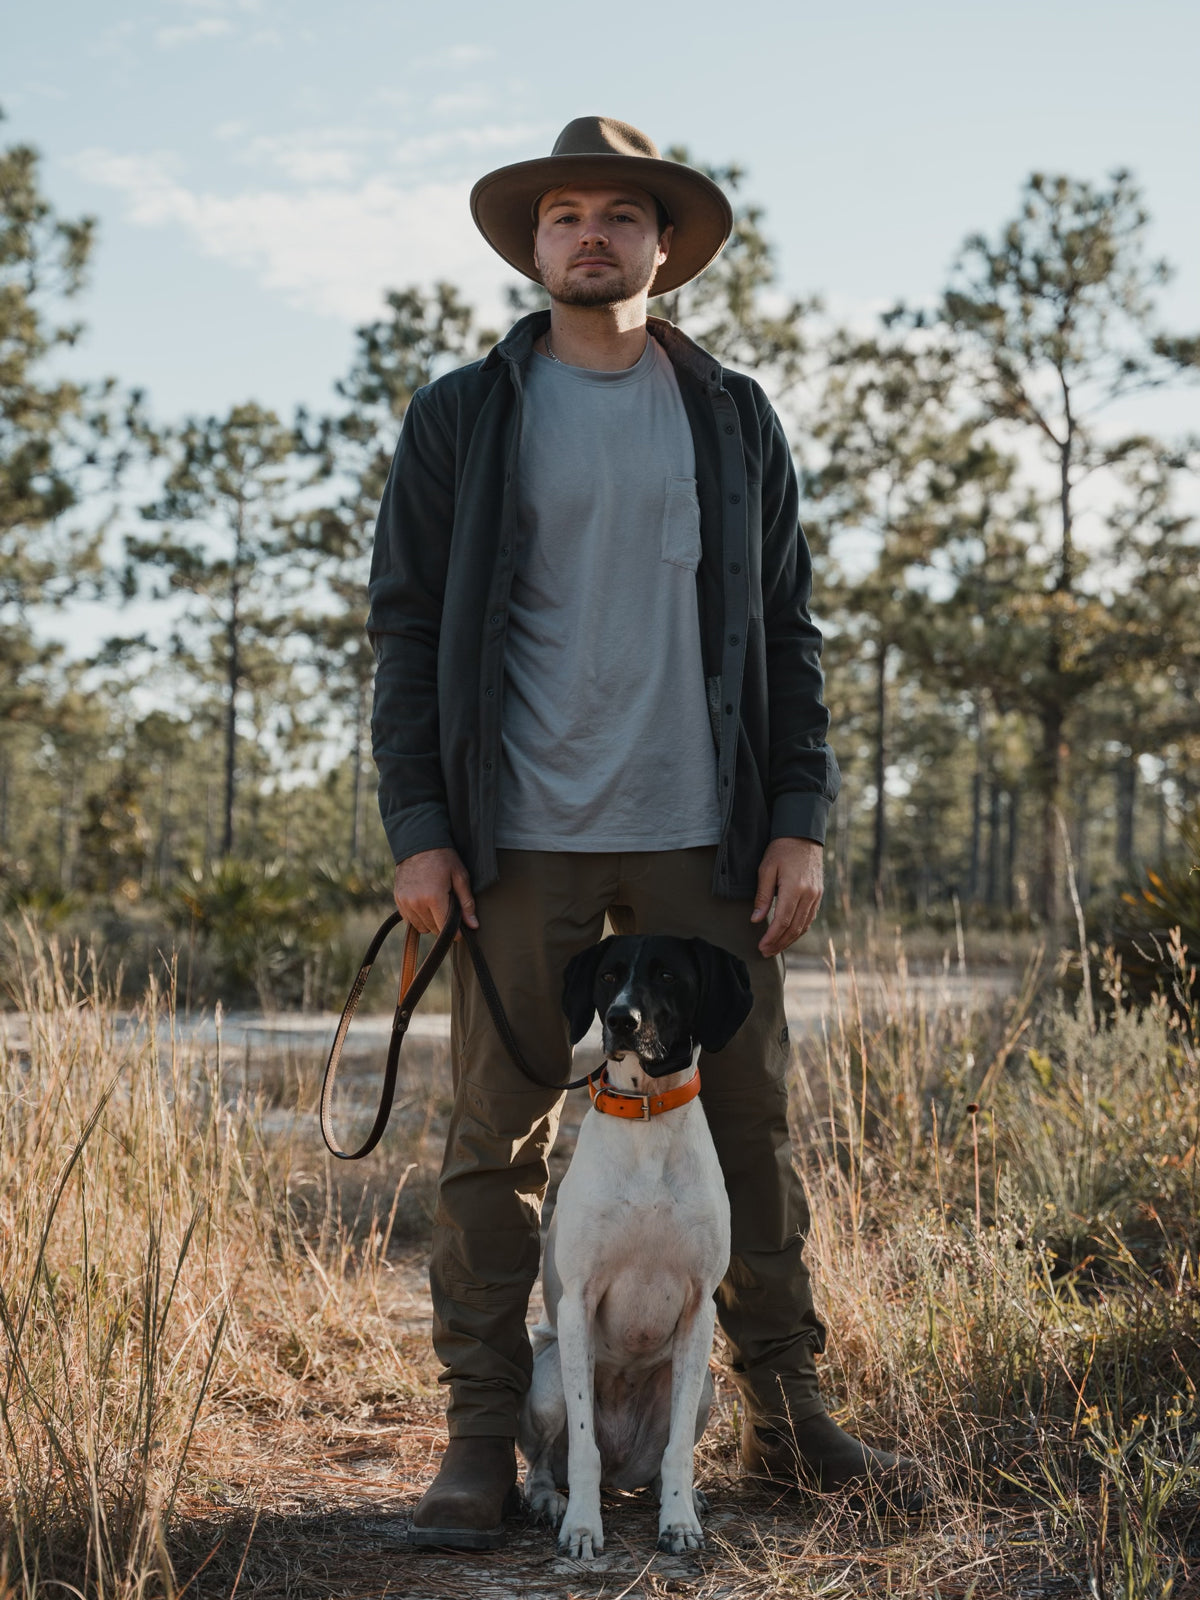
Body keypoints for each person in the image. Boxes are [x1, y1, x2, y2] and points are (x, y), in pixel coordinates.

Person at [367, 117, 921, 1547]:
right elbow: (409, 628)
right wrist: (422, 824)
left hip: (704, 831)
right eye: (565, 216)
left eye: (623, 213)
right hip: (518, 839)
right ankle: (484, 1444)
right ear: (533, 245)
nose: (593, 235)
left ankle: (788, 1417)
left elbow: (788, 629)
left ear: (665, 246)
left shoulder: (732, 416)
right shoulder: (463, 415)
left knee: (748, 1125)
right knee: (492, 1138)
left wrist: (798, 816)